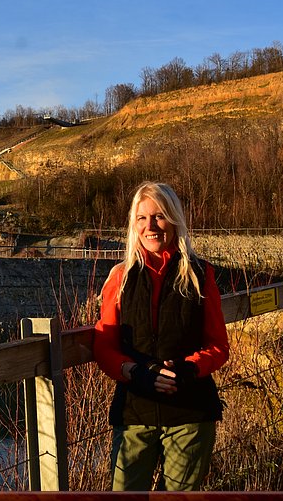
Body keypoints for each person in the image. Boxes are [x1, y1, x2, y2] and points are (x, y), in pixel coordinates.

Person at [93, 181, 229, 491]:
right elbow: (104, 344)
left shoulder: (199, 274)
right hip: (134, 412)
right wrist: (133, 371)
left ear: (175, 220)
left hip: (190, 413)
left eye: (159, 216)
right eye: (142, 218)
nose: (150, 226)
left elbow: (218, 345)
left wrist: (189, 368)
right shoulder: (120, 276)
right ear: (133, 224)